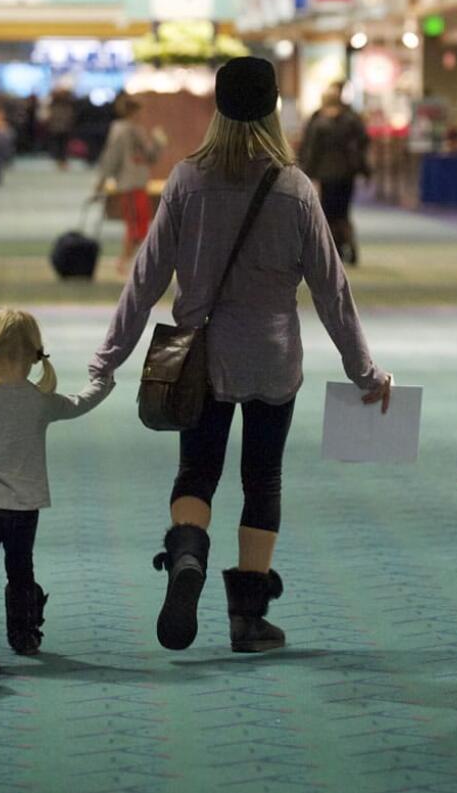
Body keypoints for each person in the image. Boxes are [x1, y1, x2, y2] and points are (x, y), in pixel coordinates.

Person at [90, 57, 392, 654]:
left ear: (219, 109)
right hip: (273, 359)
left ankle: (187, 560)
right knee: (263, 479)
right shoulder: (295, 188)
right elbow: (333, 290)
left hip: (200, 358)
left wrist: (109, 358)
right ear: (275, 109)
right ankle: (249, 620)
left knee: (196, 473)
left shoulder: (185, 180)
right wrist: (365, 371)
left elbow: (145, 279)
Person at [0, 309, 114, 673]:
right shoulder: (40, 401)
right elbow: (80, 402)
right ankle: (24, 635)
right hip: (25, 509)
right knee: (21, 572)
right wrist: (103, 381)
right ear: (37, 354)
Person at [95, 94, 166, 274]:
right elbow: (111, 157)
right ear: (131, 111)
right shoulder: (121, 131)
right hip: (129, 184)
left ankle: (129, 262)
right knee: (136, 227)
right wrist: (102, 180)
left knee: (140, 226)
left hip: (139, 183)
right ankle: (124, 262)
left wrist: (158, 144)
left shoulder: (137, 131)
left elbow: (149, 157)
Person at [300, 84, 369, 265]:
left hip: (326, 174)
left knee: (329, 213)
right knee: (344, 212)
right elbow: (363, 142)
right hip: (347, 173)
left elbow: (311, 150)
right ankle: (350, 246)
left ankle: (335, 249)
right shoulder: (351, 119)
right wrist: (363, 168)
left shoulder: (318, 122)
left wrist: (306, 172)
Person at [47, 88, 77, 170]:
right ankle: (60, 161)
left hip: (61, 128)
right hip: (59, 128)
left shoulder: (66, 104)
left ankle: (62, 161)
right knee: (61, 145)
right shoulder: (57, 104)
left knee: (62, 146)